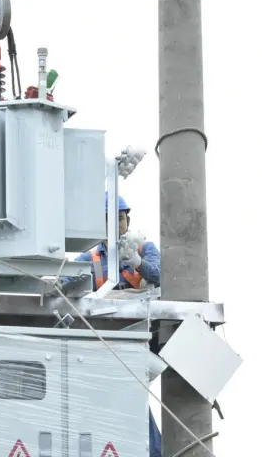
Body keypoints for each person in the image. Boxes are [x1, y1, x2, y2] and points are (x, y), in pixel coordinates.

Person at [72, 192, 162, 456]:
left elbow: (158, 274)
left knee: (132, 397)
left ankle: (153, 450)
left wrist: (136, 261)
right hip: (107, 340)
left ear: (128, 221)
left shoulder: (145, 248)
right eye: (109, 220)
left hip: (138, 338)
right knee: (117, 398)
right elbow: (68, 278)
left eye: (120, 219)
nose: (116, 225)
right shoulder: (91, 258)